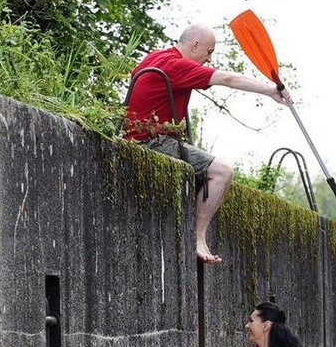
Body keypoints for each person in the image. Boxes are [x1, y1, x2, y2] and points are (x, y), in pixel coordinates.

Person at [123, 23, 289, 264]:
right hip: (150, 142)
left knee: (204, 168)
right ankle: (197, 238)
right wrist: (271, 91)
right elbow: (228, 78)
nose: (208, 59)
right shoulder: (177, 65)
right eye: (209, 52)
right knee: (222, 172)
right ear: (195, 45)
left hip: (137, 137)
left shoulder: (155, 57)